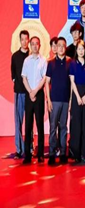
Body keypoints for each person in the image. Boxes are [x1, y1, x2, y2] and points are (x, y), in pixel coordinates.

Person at [45, 37, 71, 165]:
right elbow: (47, 83)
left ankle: (62, 153)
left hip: (65, 100)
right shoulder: (51, 63)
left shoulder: (69, 63)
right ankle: (51, 154)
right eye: (59, 45)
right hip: (54, 100)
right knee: (53, 127)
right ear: (56, 47)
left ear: (65, 47)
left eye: (63, 46)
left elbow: (71, 84)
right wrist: (49, 100)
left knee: (63, 127)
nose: (61, 48)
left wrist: (70, 100)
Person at [22, 36, 47, 164]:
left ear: (40, 45)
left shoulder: (43, 60)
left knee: (40, 125)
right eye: (32, 44)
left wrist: (35, 91)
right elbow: (24, 78)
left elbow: (44, 78)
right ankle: (27, 154)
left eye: (37, 44)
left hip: (39, 95)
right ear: (30, 46)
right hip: (29, 95)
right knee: (28, 126)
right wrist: (30, 92)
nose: (35, 46)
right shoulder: (26, 61)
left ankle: (40, 154)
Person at [69, 40, 85, 162]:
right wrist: (78, 97)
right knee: (76, 124)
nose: (81, 51)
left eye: (82, 49)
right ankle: (76, 153)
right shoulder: (73, 64)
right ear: (76, 51)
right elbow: (72, 82)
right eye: (79, 49)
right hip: (76, 94)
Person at [11, 30, 29, 159]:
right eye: (22, 39)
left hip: (30, 93)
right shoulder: (15, 56)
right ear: (20, 40)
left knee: (29, 122)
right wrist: (17, 83)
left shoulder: (31, 55)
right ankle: (19, 149)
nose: (24, 41)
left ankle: (29, 148)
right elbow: (13, 73)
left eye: (26, 39)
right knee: (18, 122)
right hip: (19, 92)